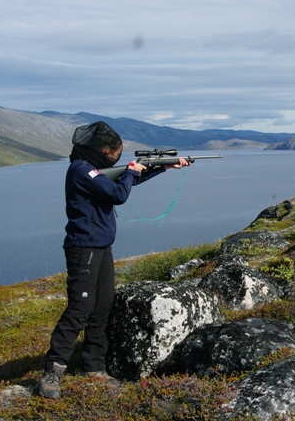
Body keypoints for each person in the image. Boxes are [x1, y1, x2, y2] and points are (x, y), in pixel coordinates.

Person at [36, 121, 190, 399]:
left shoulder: (92, 169)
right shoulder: (81, 170)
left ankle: (93, 367)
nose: (114, 155)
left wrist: (162, 167)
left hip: (101, 247)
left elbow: (122, 179)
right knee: (79, 310)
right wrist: (133, 173)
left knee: (102, 307)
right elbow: (118, 193)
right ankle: (52, 373)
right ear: (100, 150)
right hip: (84, 249)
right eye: (111, 151)